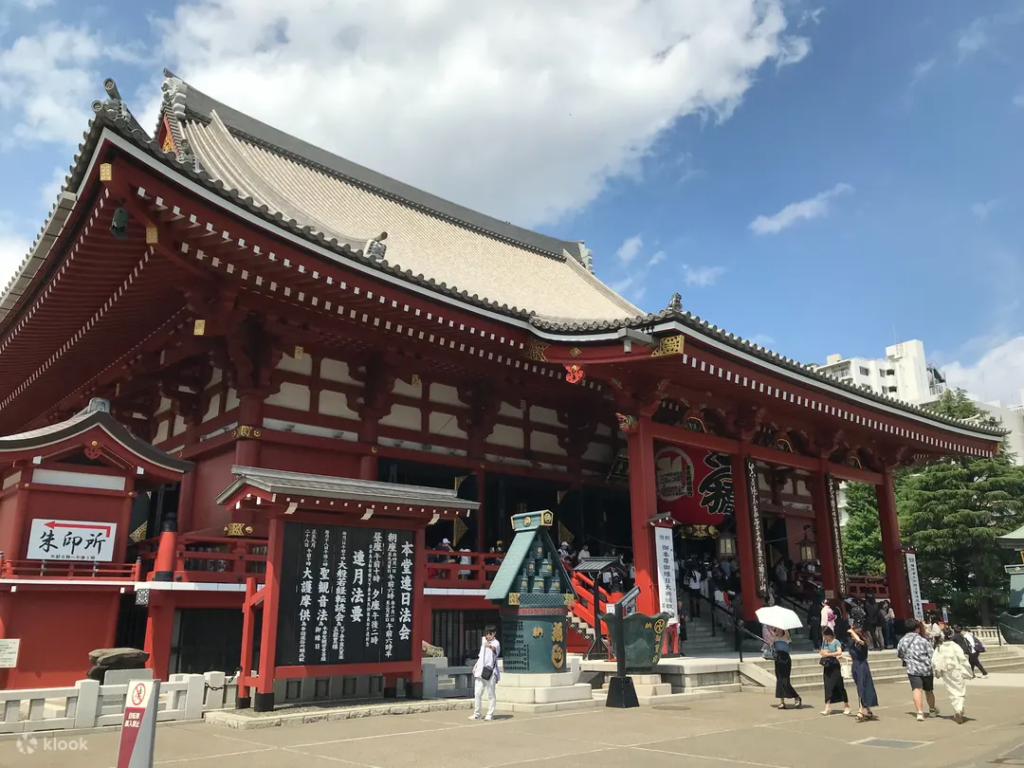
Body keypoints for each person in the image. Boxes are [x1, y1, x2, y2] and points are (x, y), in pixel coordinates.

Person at [897, 619, 939, 722]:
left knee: (916, 689)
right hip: (926, 668)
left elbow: (899, 654)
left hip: (912, 669)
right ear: (917, 628)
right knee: (928, 690)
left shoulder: (902, 641)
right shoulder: (923, 640)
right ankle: (932, 710)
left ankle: (919, 712)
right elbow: (931, 654)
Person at [932, 626, 974, 724]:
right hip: (956, 670)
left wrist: (938, 671)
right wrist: (968, 670)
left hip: (946, 671)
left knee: (952, 691)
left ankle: (957, 709)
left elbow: (934, 660)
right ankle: (959, 709)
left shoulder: (939, 647)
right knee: (960, 690)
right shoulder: (955, 646)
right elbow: (962, 658)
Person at [470, 624, 500, 721]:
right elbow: (480, 657)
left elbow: (495, 649)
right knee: (477, 693)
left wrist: (489, 646)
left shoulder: (496, 643)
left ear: (494, 633)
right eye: (487, 633)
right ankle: (477, 714)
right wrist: (475, 665)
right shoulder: (484, 643)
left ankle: (490, 713)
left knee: (491, 693)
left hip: (490, 671)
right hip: (480, 671)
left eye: (490, 633)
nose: (488, 635)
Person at [848, 625, 878, 721]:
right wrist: (844, 658)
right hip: (855, 666)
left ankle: (860, 710)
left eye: (853, 635)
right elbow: (853, 657)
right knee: (860, 688)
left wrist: (852, 631)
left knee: (862, 687)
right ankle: (868, 710)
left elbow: (860, 641)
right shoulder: (853, 644)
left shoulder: (863, 643)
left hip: (862, 666)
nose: (851, 636)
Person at [819, 627, 850, 716]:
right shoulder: (824, 642)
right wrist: (824, 652)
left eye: (826, 636)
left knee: (839, 685)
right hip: (827, 665)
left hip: (835, 665)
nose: (825, 638)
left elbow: (839, 652)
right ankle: (827, 707)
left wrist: (829, 654)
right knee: (828, 686)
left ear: (829, 635)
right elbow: (821, 651)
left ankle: (846, 705)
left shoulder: (836, 642)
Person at [771, 627, 802, 710]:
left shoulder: (786, 636)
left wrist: (785, 629)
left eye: (779, 629)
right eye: (776, 629)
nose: (777, 630)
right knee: (779, 680)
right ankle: (782, 702)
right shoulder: (775, 638)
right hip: (778, 659)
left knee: (785, 681)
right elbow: (770, 645)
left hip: (785, 659)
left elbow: (787, 633)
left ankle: (796, 696)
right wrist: (774, 636)